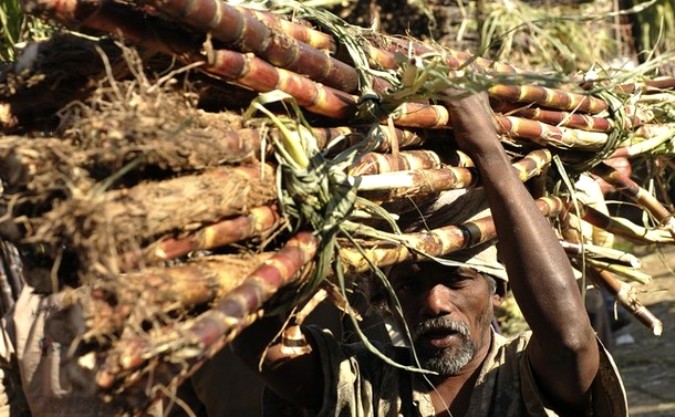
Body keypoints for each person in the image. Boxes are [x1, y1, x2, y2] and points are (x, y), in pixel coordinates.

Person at [232, 91, 628, 416]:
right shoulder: (362, 384)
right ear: (386, 302)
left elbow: (572, 341)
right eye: (408, 286)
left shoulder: (524, 375)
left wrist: (487, 150)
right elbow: (260, 345)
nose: (435, 302)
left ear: (500, 288)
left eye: (456, 278)